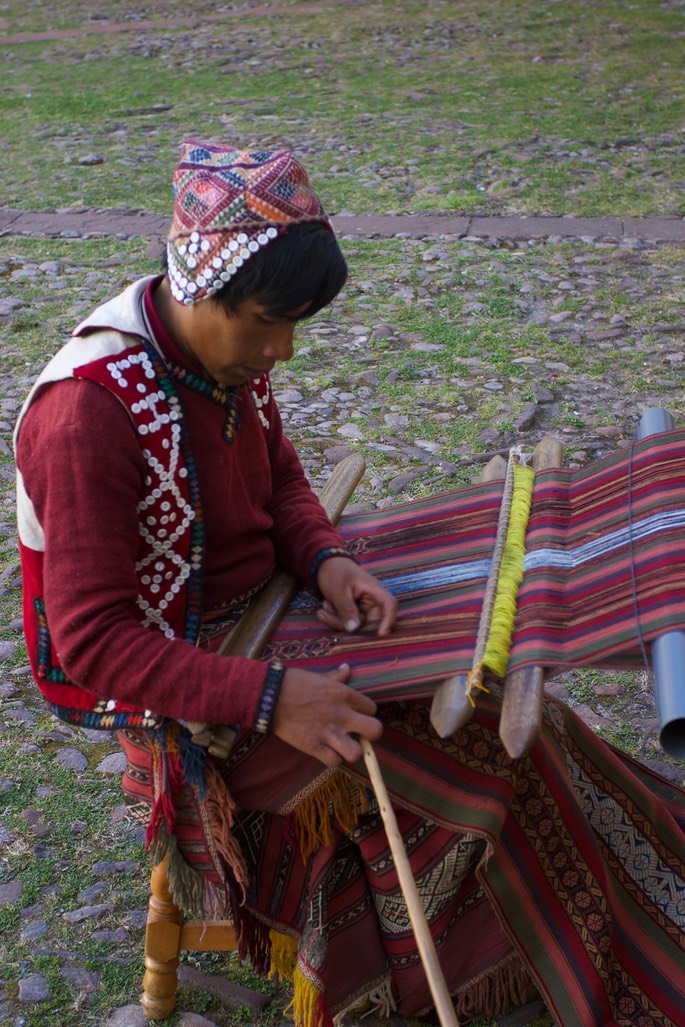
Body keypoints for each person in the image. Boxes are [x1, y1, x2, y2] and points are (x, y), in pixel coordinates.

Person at [15, 142, 685, 1027]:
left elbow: (281, 476)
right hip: (175, 689)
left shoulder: (222, 361)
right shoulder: (87, 413)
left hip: (267, 619)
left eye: (295, 324)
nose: (283, 350)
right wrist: (271, 699)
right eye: (267, 322)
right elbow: (94, 645)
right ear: (194, 290)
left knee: (519, 718)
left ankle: (615, 905)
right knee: (471, 749)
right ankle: (487, 957)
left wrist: (327, 559)